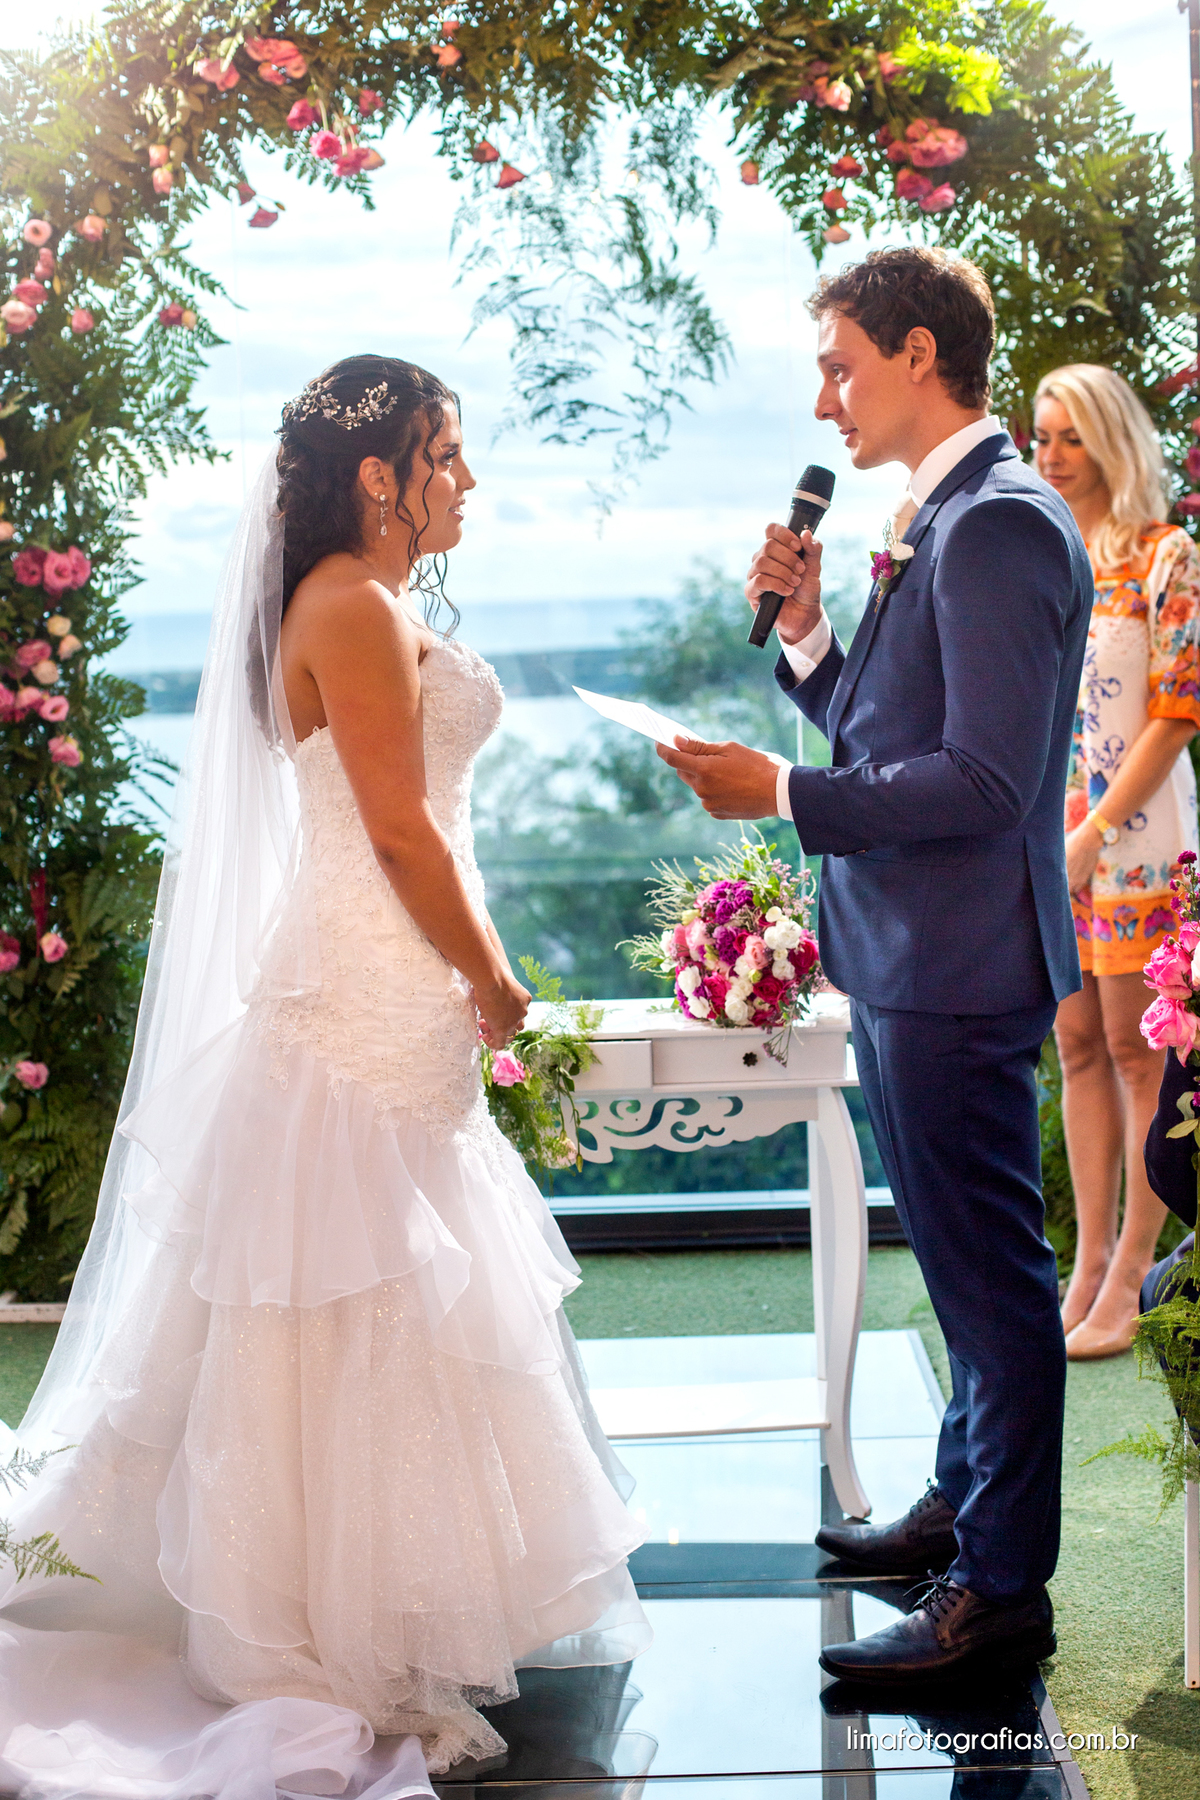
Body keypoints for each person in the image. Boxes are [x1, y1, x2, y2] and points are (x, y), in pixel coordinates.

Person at [0, 356, 650, 1798]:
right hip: (361, 985)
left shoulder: (371, 600)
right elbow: (400, 833)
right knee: (349, 1289)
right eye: (447, 454)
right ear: (378, 475)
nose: (466, 480)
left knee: (403, 1284)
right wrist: (496, 978)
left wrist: (461, 977)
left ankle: (400, 1606)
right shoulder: (349, 605)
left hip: (393, 987)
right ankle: (335, 1631)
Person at [656, 246, 1092, 1684]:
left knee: (993, 1284)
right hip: (915, 954)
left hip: (960, 962)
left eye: (840, 366)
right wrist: (806, 632)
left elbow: (983, 780)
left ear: (916, 354)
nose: (825, 400)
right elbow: (891, 731)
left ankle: (1000, 1594)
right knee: (964, 1270)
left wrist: (780, 791)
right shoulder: (947, 514)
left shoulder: (1000, 523)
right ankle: (964, 1505)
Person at [1032, 365, 1200, 1360]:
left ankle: (1136, 1270)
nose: (1051, 455)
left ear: (1110, 441)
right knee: (1077, 1047)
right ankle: (1088, 1266)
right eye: (1041, 436)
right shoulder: (1047, 556)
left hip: (1136, 842)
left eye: (1071, 436)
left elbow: (1177, 711)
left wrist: (1095, 829)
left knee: (1140, 1055)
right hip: (1052, 839)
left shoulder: (1164, 554)